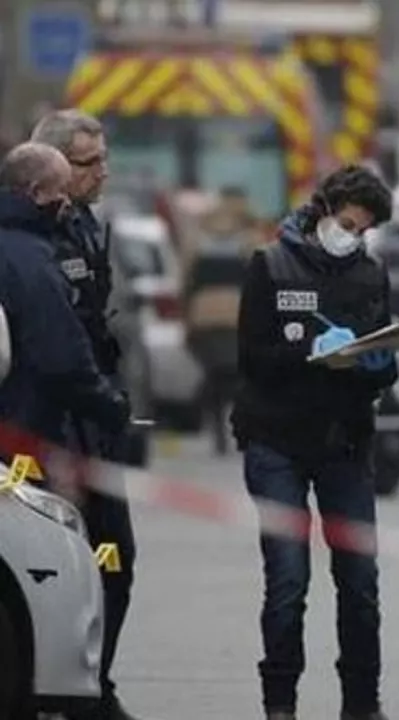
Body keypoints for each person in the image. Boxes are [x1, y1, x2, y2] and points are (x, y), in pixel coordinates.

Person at [230, 165, 398, 720]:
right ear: (324, 210)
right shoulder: (270, 264)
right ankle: (280, 702)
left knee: (360, 581)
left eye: (364, 230)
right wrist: (311, 354)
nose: (353, 236)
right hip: (276, 439)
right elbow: (251, 358)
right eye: (348, 224)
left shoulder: (371, 273)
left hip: (345, 442)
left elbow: (384, 357)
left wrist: (377, 363)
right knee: (288, 579)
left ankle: (362, 703)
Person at [30, 110, 145, 720]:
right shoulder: (33, 236)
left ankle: (95, 683)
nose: (103, 171)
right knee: (57, 567)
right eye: (89, 162)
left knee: (113, 558)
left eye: (104, 158)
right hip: (48, 432)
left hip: (95, 422)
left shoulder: (85, 226)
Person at [0, 142, 131, 479]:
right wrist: (110, 404)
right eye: (60, 191)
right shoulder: (31, 260)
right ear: (36, 192)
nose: (67, 202)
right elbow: (60, 354)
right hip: (24, 434)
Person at [184, 212, 251, 456]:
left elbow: (186, 285)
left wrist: (187, 321)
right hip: (235, 318)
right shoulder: (246, 248)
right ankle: (233, 425)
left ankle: (214, 423)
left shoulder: (196, 247)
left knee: (213, 372)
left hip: (204, 319)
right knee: (233, 372)